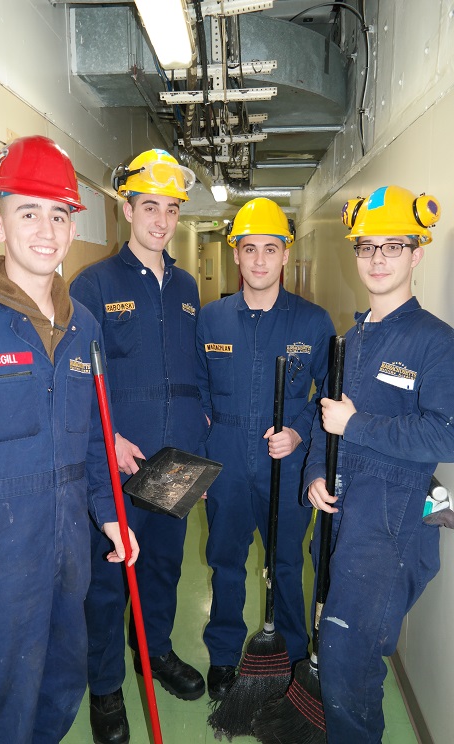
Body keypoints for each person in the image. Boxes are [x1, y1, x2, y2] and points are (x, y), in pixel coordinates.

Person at [0, 135, 139, 744]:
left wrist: (111, 517)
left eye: (58, 213)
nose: (45, 228)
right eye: (26, 211)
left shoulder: (85, 326)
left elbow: (94, 441)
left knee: (62, 682)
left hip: (68, 552)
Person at [305, 185, 454, 743]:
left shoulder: (436, 343)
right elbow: (328, 418)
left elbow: (448, 432)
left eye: (393, 246)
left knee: (347, 662)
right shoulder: (350, 338)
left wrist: (356, 426)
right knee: (343, 651)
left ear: (417, 254)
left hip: (390, 526)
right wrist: (316, 472)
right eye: (366, 247)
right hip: (341, 515)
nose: (376, 259)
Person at [70, 148, 209, 744]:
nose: (160, 220)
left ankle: (154, 654)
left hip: (175, 465)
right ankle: (105, 689)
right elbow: (76, 381)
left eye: (171, 209)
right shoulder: (94, 284)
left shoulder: (185, 286)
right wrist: (112, 439)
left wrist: (201, 421)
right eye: (149, 206)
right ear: (126, 209)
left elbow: (193, 368)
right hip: (117, 466)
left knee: (162, 568)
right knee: (108, 583)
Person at [195, 197, 336, 699]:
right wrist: (203, 465)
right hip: (226, 460)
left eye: (269, 249)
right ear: (235, 254)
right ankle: (224, 656)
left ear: (284, 255)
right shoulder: (210, 320)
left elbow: (327, 395)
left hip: (287, 460)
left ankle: (295, 655)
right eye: (249, 248)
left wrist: (297, 430)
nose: (259, 260)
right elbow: (199, 394)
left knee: (287, 565)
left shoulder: (313, 322)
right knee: (225, 561)